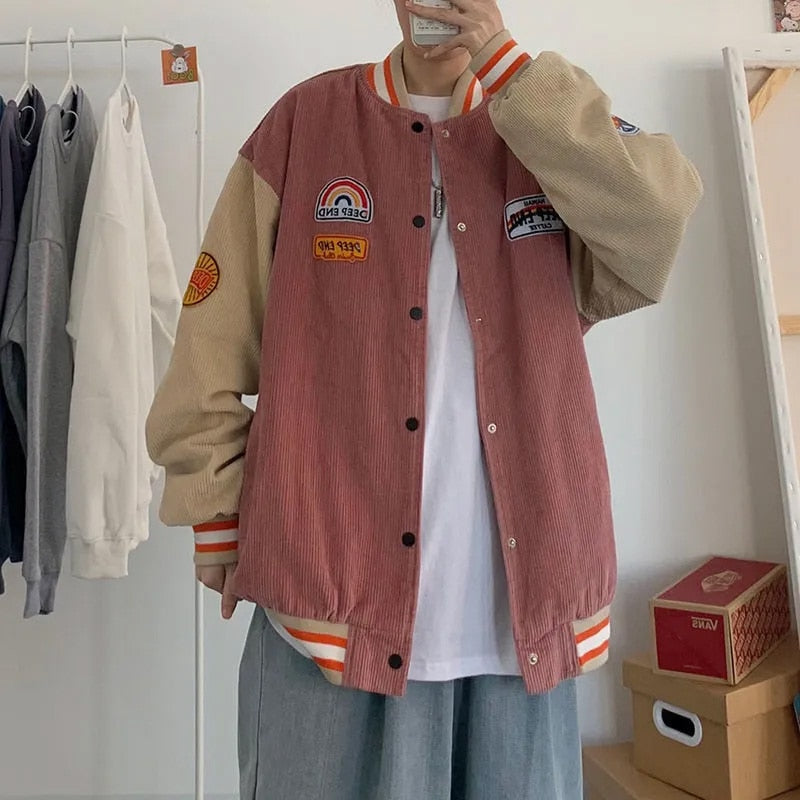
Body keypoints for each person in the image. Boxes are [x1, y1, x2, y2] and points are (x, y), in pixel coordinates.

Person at [146, 1, 703, 797]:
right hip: (328, 607)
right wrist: (215, 512)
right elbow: (210, 335)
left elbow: (657, 225)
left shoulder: (551, 124)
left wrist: (508, 68)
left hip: (522, 626)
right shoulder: (306, 124)